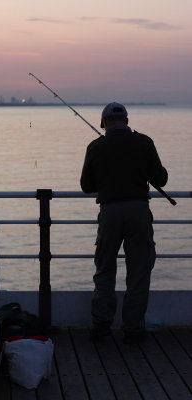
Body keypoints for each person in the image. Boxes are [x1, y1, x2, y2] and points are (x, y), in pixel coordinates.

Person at [80, 102, 168, 343]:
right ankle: (133, 328)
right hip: (139, 211)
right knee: (139, 270)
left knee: (105, 269)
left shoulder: (96, 146)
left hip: (109, 212)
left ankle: (101, 326)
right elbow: (161, 178)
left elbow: (86, 186)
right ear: (127, 121)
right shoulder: (145, 142)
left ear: (104, 123)